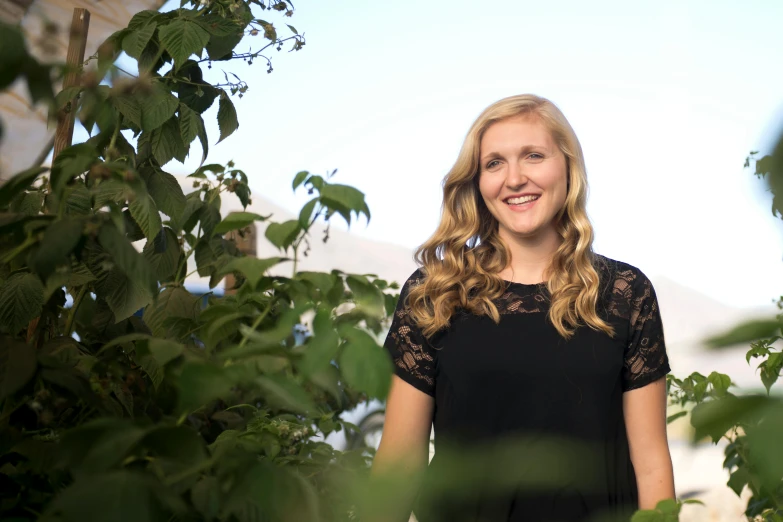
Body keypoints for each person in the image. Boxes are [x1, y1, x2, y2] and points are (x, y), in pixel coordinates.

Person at [370, 94, 675, 522]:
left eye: (533, 156)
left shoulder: (624, 294)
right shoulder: (435, 294)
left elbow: (651, 464)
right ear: (477, 182)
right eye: (494, 163)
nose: (514, 178)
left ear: (567, 168)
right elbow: (399, 464)